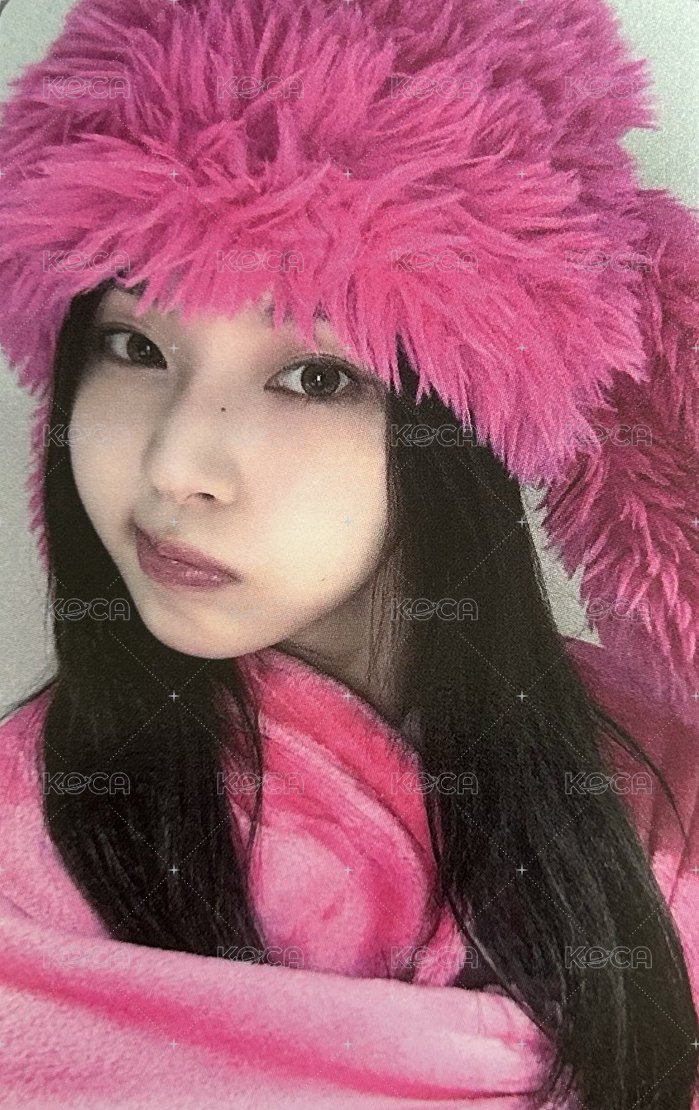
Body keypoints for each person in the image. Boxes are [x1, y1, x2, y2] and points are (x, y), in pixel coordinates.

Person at [0, 0, 697, 1107]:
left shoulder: (664, 796)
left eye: (313, 376)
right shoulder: (19, 867)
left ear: (464, 434)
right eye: (132, 346)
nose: (176, 466)